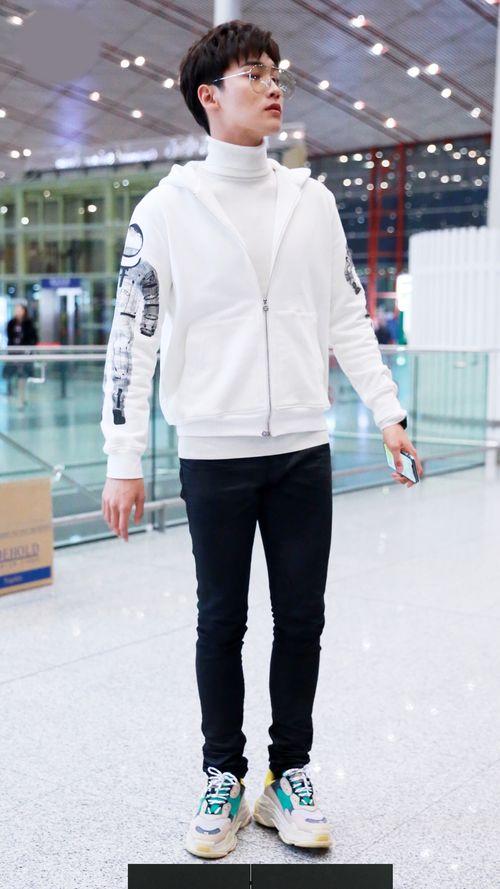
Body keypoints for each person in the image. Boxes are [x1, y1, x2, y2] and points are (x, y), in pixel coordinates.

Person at [100, 19, 423, 860]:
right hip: (213, 449)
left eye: (276, 72)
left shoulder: (311, 203)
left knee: (303, 617)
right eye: (254, 73)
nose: (274, 84)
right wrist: (123, 457)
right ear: (209, 96)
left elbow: (346, 314)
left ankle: (290, 772)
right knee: (221, 619)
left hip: (302, 448)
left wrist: (387, 409)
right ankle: (222, 775)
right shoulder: (166, 209)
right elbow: (131, 337)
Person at [3, 302, 39, 409]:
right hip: (13, 353)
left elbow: (34, 338)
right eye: (16, 309)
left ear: (24, 311)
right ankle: (14, 393)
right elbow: (9, 337)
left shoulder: (29, 323)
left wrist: (29, 348)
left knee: (22, 376)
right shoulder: (11, 323)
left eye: (19, 309)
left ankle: (21, 398)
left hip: (24, 354)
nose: (17, 311)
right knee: (12, 374)